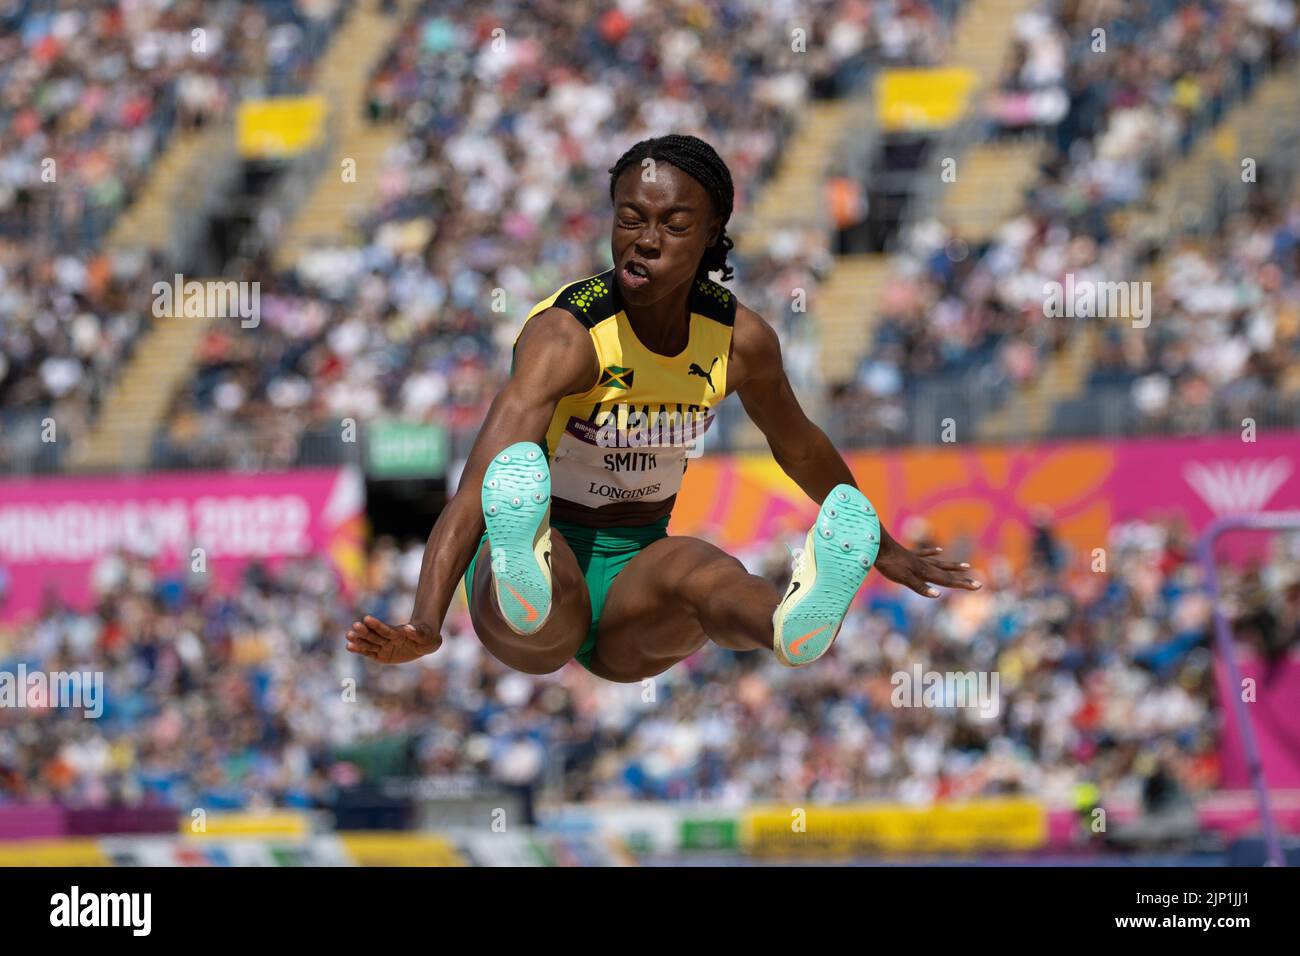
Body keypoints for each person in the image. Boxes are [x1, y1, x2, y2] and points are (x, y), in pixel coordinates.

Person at [346, 134, 981, 681]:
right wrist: (426, 621)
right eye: (630, 219)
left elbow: (801, 447)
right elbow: (478, 486)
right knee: (542, 588)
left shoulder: (740, 340)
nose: (646, 241)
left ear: (710, 234)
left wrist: (882, 544)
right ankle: (526, 562)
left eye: (674, 226)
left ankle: (789, 620)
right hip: (545, 572)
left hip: (637, 573)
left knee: (705, 570)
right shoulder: (565, 338)